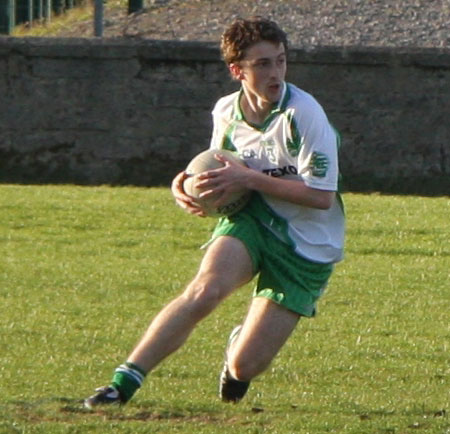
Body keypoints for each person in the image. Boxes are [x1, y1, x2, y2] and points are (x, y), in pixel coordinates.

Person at [84, 16, 345, 409]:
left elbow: (321, 197)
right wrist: (186, 184)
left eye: (280, 60)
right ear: (236, 70)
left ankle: (235, 356)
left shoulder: (304, 114)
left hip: (308, 244)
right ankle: (123, 383)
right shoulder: (226, 112)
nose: (276, 73)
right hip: (253, 218)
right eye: (262, 64)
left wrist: (250, 179)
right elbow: (217, 166)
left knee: (247, 366)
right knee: (204, 289)